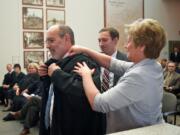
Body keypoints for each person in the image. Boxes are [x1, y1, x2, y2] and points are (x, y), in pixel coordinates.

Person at [69, 18, 166, 131]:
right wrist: (86, 50)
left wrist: (86, 75)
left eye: (129, 41)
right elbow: (113, 63)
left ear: (142, 46)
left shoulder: (139, 76)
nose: (126, 46)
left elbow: (99, 103)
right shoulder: (152, 66)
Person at [38, 25, 106, 135]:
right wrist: (46, 78)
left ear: (66, 38)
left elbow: (85, 97)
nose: (47, 46)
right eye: (46, 41)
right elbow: (55, 97)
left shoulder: (84, 62)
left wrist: (57, 74)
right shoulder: (54, 63)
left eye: (51, 40)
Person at [98, 27, 128, 133]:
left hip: (118, 111)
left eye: (104, 40)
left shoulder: (127, 61)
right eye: (99, 40)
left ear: (115, 41)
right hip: (98, 109)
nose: (101, 44)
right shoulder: (94, 59)